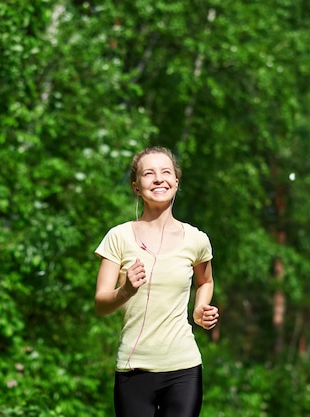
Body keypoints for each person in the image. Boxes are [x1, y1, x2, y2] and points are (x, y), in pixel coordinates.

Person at [94, 146, 219, 417]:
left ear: (176, 181)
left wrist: (199, 309)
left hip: (183, 367)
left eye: (166, 172)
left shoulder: (196, 239)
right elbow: (101, 304)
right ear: (136, 187)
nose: (158, 179)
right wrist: (125, 290)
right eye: (148, 174)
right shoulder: (118, 237)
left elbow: (205, 282)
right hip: (133, 369)